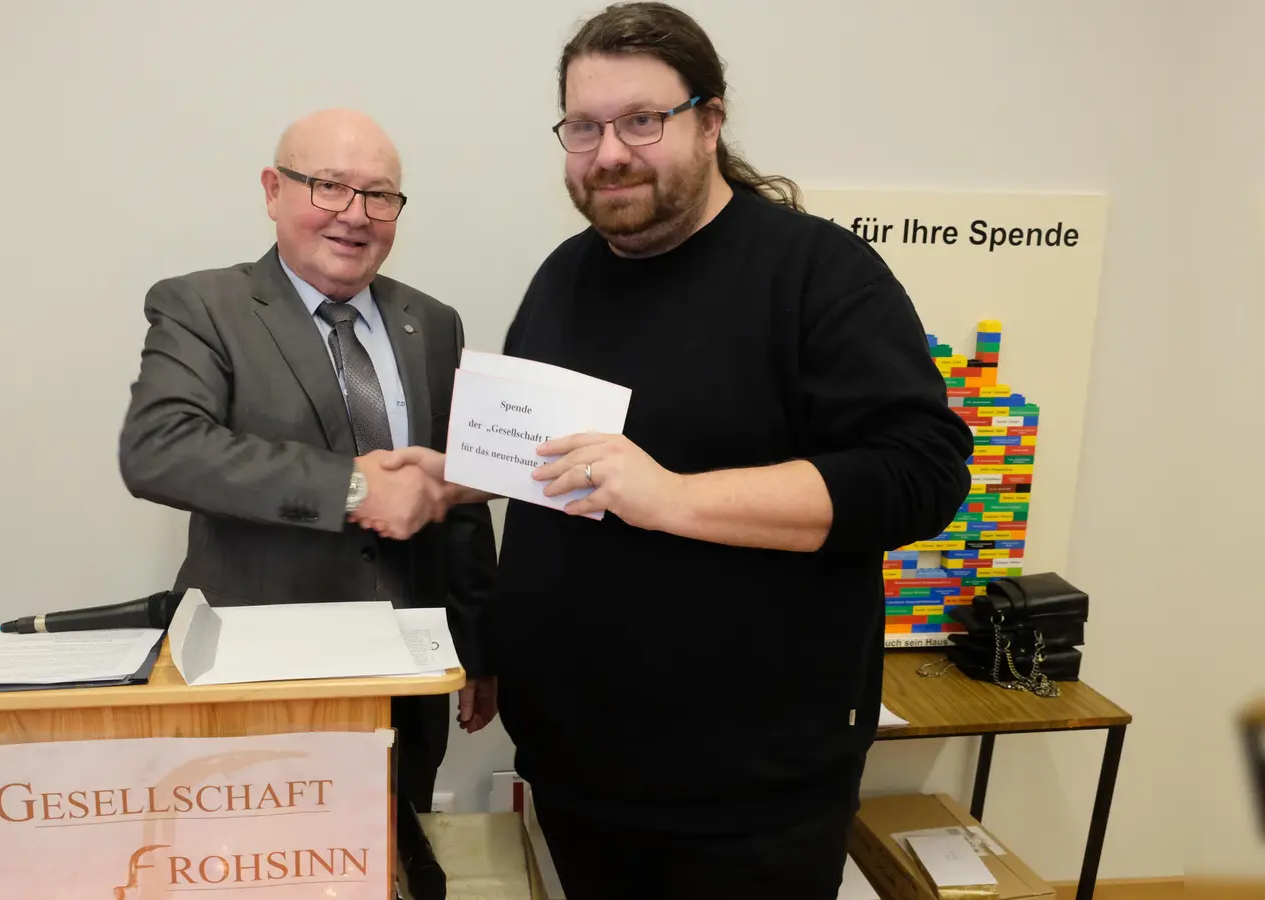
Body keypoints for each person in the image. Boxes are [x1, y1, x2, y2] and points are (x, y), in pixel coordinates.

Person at [380, 3, 974, 897]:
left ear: (710, 122)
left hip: (748, 792)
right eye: (584, 126)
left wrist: (674, 498)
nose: (609, 151)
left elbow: (920, 473)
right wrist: (458, 480)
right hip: (579, 767)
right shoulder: (564, 275)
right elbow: (552, 458)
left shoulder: (819, 273)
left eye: (641, 121)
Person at [117, 108, 499, 900]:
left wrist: (481, 644)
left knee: (393, 866)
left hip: (407, 675)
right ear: (272, 189)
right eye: (330, 186)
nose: (355, 215)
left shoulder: (430, 320)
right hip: (262, 678)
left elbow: (458, 496)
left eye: (380, 196)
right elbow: (159, 448)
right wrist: (354, 488)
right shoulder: (201, 306)